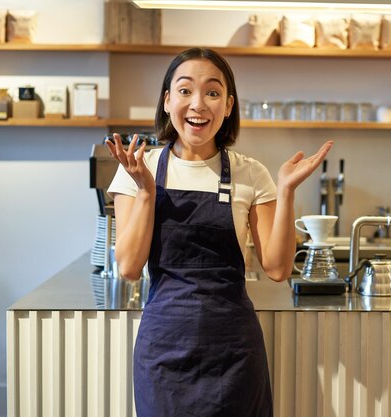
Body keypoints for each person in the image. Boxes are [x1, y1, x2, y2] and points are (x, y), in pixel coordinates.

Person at [106, 47, 333, 417]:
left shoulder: (251, 173)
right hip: (164, 349)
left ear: (228, 106)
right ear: (167, 101)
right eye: (184, 91)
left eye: (212, 93)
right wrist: (146, 191)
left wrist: (287, 190)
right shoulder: (138, 168)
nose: (198, 104)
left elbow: (277, 269)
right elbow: (129, 268)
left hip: (233, 351)